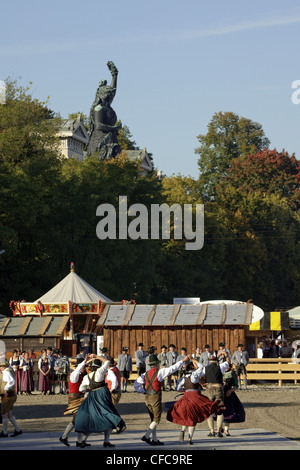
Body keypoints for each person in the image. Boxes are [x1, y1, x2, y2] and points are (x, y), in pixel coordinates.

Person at [134, 353, 190, 446]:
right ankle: (147, 435)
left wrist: (143, 391)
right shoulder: (159, 372)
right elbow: (172, 368)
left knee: (153, 419)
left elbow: (136, 384)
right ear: (156, 364)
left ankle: (155, 439)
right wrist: (183, 361)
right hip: (155, 396)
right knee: (157, 418)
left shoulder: (145, 374)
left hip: (147, 397)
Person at [166, 360, 223, 445]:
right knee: (194, 417)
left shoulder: (183, 378)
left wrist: (184, 390)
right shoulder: (195, 376)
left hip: (185, 398)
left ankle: (182, 430)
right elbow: (201, 367)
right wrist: (193, 360)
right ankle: (190, 439)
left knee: (186, 416)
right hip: (195, 398)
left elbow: (177, 388)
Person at [75, 355, 126, 448]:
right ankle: (106, 440)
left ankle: (83, 440)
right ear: (98, 367)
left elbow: (81, 389)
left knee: (92, 419)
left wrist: (90, 390)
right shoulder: (100, 372)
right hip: (103, 396)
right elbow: (107, 362)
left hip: (92, 397)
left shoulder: (86, 377)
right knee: (108, 416)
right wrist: (96, 356)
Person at [60, 355, 91, 448]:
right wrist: (84, 362)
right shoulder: (74, 375)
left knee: (79, 420)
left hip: (79, 399)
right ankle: (64, 437)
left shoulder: (81, 376)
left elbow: (82, 389)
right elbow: (78, 370)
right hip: (74, 399)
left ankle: (79, 440)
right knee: (76, 420)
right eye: (83, 367)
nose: (84, 369)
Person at [199, 356, 230, 437]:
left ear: (209, 362)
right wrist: (225, 354)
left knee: (209, 410)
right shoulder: (221, 366)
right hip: (218, 388)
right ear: (216, 361)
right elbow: (228, 362)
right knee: (220, 409)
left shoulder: (205, 368)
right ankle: (219, 430)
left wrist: (203, 384)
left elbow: (198, 376)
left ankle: (211, 431)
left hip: (209, 388)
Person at [0, 360, 22, 438]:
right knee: (9, 414)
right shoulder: (9, 370)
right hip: (11, 395)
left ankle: (5, 432)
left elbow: (11, 381)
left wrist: (5, 389)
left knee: (4, 414)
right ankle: (18, 430)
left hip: (8, 396)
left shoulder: (6, 372)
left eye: (1, 367)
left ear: (3, 367)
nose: (0, 368)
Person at [222, 364, 245, 436]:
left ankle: (226, 429)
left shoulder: (232, 373)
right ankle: (218, 428)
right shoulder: (219, 371)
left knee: (228, 412)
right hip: (220, 393)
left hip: (228, 394)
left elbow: (236, 385)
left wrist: (231, 390)